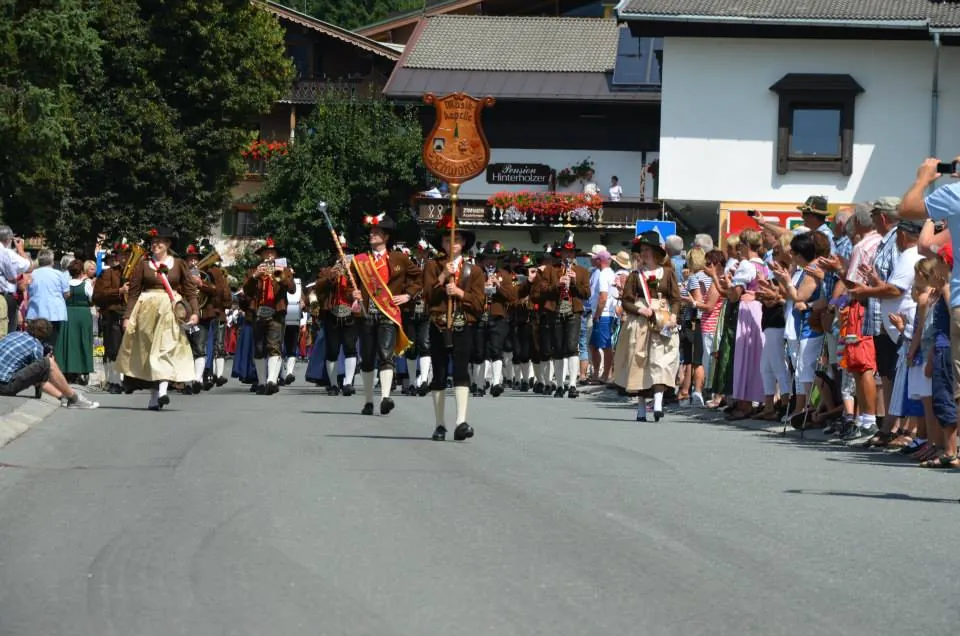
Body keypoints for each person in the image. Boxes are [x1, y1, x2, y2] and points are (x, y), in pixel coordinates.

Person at [115, 227, 199, 410]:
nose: (155, 244)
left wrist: (194, 312)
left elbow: (190, 290)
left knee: (166, 348)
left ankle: (163, 390)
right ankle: (154, 397)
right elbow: (134, 293)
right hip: (146, 311)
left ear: (168, 244)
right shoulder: (143, 265)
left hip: (170, 310)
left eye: (159, 241)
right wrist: (128, 316)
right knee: (149, 353)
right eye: (153, 242)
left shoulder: (178, 264)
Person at [349, 213, 422, 416]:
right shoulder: (360, 261)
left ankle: (385, 397)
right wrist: (353, 294)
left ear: (386, 237)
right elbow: (350, 285)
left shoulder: (400, 258)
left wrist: (408, 296)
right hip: (366, 314)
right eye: (371, 232)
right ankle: (369, 400)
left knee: (386, 355)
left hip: (388, 314)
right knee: (367, 356)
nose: (372, 235)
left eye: (376, 232)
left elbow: (419, 278)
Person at [423, 213, 485, 441]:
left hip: (463, 325)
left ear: (464, 244)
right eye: (449, 240)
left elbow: (479, 304)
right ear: (442, 243)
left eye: (457, 239)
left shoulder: (474, 271)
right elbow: (427, 295)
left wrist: (461, 293)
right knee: (439, 374)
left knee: (461, 372)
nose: (453, 243)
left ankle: (461, 421)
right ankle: (439, 424)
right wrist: (442, 276)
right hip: (439, 324)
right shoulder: (432, 266)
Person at [532, 232, 591, 397]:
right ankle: (559, 385)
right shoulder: (551, 271)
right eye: (565, 252)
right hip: (555, 311)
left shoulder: (582, 271)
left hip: (573, 311)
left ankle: (572, 384)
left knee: (572, 347)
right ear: (560, 253)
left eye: (571, 253)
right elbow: (540, 292)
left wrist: (573, 283)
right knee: (557, 348)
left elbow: (586, 293)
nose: (568, 255)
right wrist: (557, 285)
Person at [0, 318, 98, 408]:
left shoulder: (14, 334)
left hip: (4, 380)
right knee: (48, 362)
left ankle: (66, 398)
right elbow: (40, 381)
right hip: (4, 386)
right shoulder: (36, 346)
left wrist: (61, 397)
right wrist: (46, 363)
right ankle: (74, 399)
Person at [241, 238, 295, 395]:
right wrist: (255, 276)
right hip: (258, 313)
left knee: (274, 346)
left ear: (276, 255)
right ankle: (262, 382)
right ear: (262, 255)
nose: (269, 255)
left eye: (272, 253)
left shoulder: (284, 269)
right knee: (258, 348)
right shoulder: (253, 270)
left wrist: (282, 276)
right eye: (267, 252)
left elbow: (291, 289)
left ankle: (272, 380)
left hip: (276, 312)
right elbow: (247, 291)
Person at [314, 237, 360, 396]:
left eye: (345, 253)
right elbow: (318, 288)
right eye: (340, 253)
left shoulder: (355, 272)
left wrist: (354, 291)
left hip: (350, 314)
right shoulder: (327, 271)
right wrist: (332, 275)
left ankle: (348, 383)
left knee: (350, 349)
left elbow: (363, 289)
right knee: (332, 351)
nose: (343, 256)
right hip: (331, 314)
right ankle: (333, 384)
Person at [471, 241, 517, 397]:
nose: (491, 261)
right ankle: (479, 383)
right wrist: (482, 288)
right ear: (483, 259)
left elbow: (511, 296)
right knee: (479, 352)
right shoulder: (476, 273)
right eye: (488, 258)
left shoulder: (504, 274)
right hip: (479, 315)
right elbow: (469, 293)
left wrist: (498, 286)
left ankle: (496, 382)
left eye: (494, 258)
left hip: (498, 316)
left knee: (496, 350)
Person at [93, 242, 132, 393]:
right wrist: (120, 291)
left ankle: (128, 380)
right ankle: (113, 381)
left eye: (127, 255)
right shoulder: (108, 273)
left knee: (129, 350)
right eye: (122, 255)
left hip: (131, 314)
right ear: (117, 257)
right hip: (114, 314)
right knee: (113, 349)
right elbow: (97, 295)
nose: (125, 258)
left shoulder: (136, 274)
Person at [55, 259, 94, 384]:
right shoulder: (86, 285)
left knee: (67, 341)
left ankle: (66, 369)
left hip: (67, 313)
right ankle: (83, 369)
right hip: (83, 314)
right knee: (83, 340)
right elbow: (92, 298)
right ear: (82, 271)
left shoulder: (65, 284)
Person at [25, 249, 69, 347]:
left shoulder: (32, 274)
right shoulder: (58, 274)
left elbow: (27, 291)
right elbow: (66, 293)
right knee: (52, 343)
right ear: (52, 261)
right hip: (55, 313)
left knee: (37, 342)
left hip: (36, 312)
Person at [0, 225, 32, 335]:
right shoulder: (6, 253)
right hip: (4, 296)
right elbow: (29, 266)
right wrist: (20, 250)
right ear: (8, 239)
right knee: (6, 331)